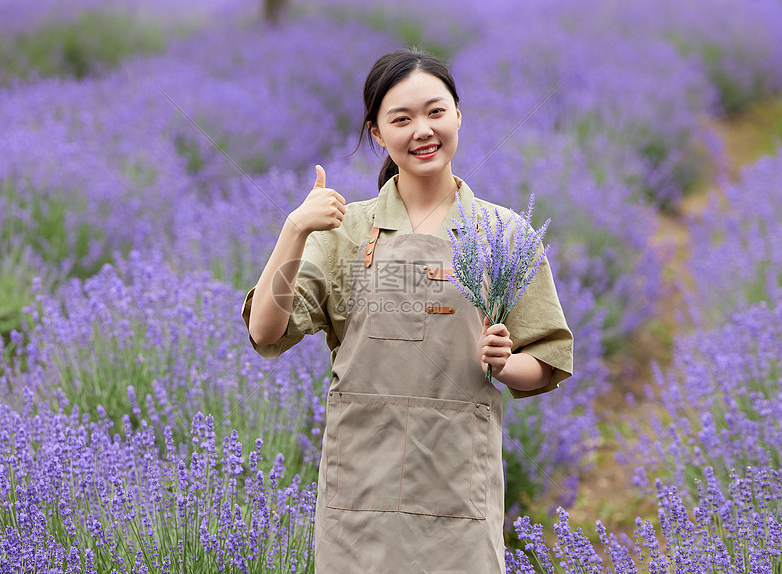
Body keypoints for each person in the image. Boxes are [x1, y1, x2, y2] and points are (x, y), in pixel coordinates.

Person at [242, 48, 573, 574]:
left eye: (436, 112)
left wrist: (504, 362)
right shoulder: (344, 231)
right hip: (360, 496)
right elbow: (265, 332)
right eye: (402, 119)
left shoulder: (504, 233)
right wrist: (295, 229)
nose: (423, 130)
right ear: (376, 132)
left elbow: (546, 362)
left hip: (457, 491)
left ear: (459, 115)